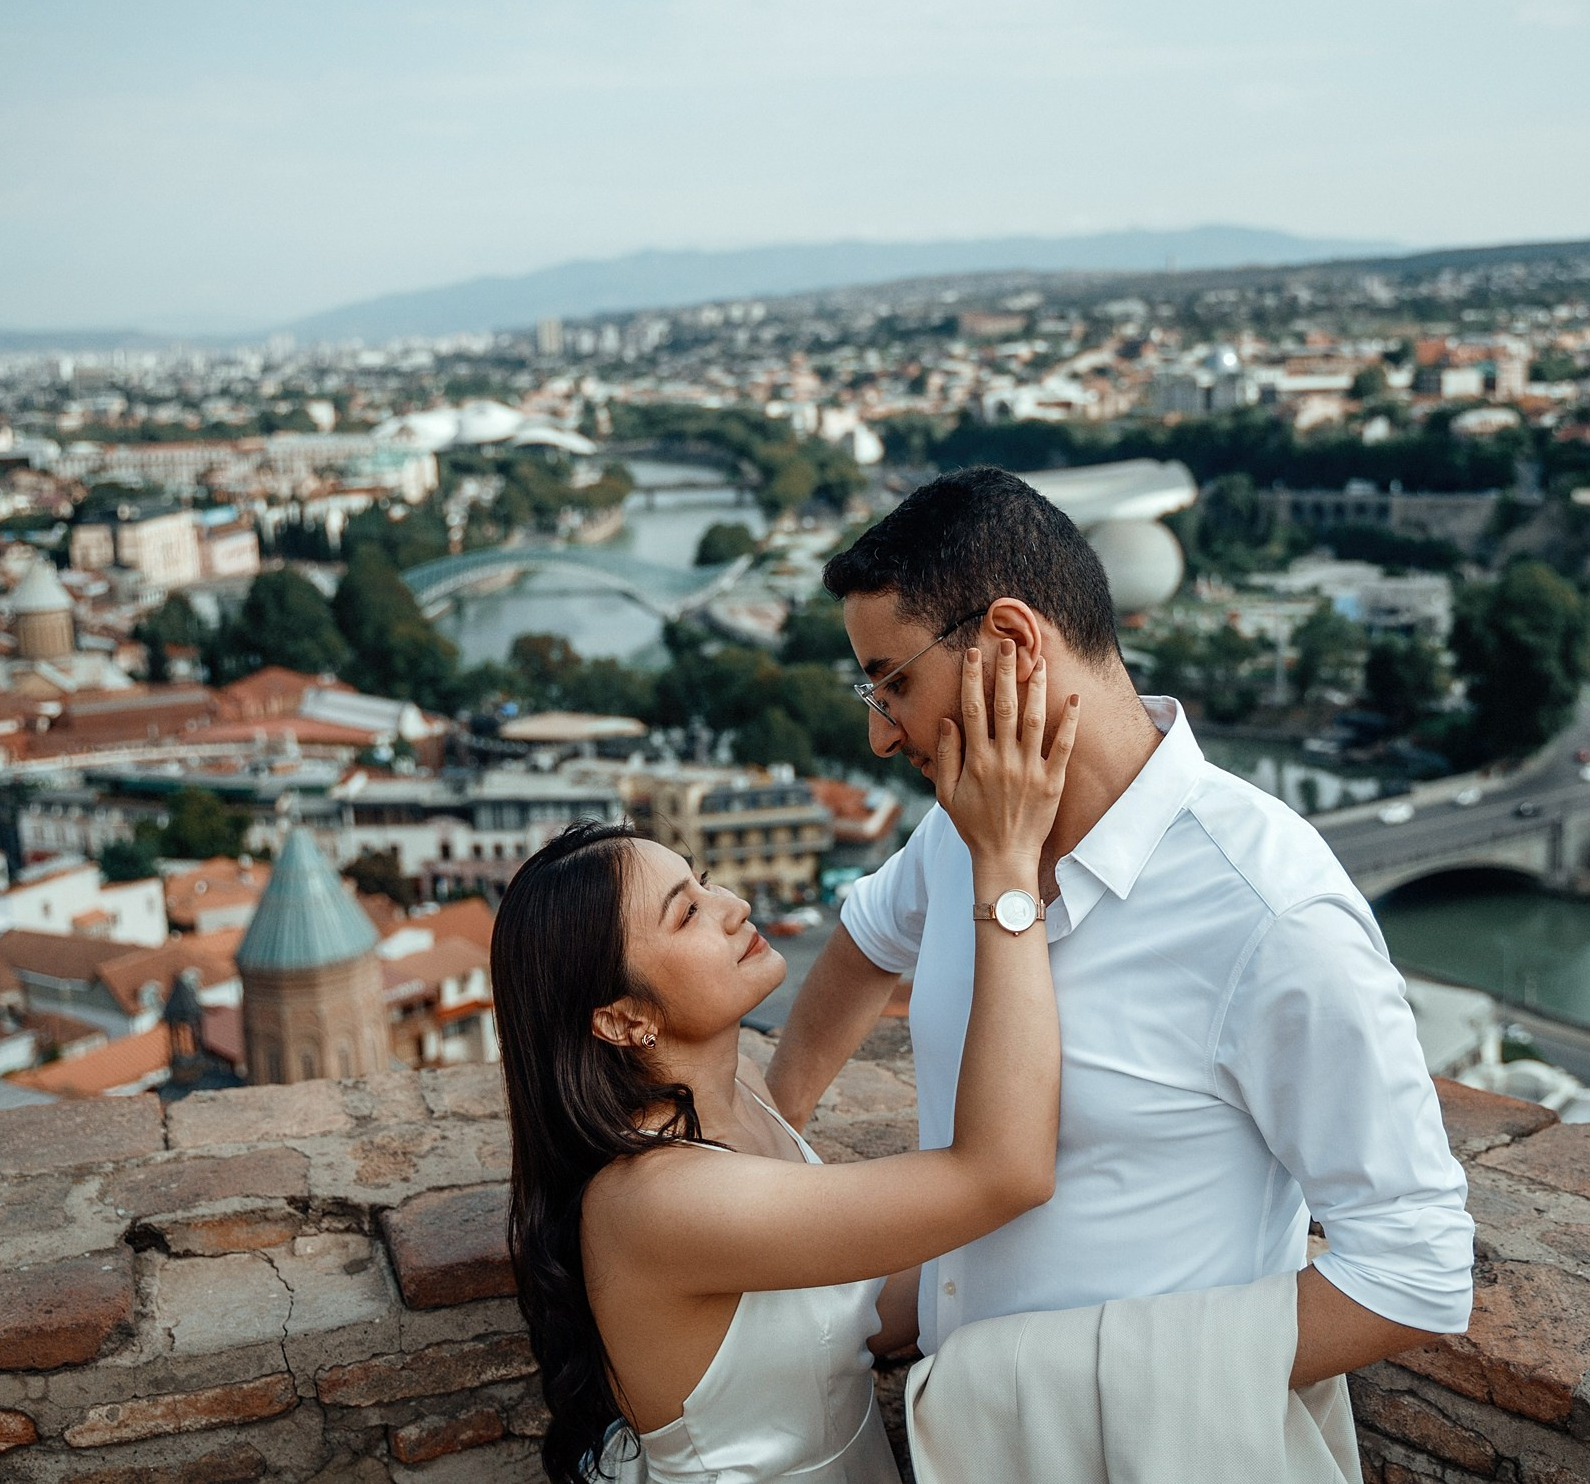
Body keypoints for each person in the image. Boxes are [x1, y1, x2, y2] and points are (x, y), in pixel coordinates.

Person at [767, 467, 1474, 1393]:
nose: (883, 737)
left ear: (1012, 640)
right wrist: (771, 1142)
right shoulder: (960, 829)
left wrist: (1075, 1384)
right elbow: (865, 941)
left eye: (891, 683)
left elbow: (1415, 1275)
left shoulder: (1271, 913)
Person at [494, 643, 1080, 1484]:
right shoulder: (663, 1199)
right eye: (686, 911)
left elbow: (852, 1312)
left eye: (704, 881)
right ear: (623, 1018)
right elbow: (1005, 1170)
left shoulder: (746, 1105)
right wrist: (1006, 864)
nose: (732, 906)